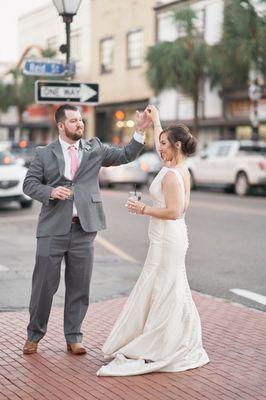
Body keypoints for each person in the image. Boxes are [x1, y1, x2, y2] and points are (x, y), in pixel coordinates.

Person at [22, 104, 150, 355]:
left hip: (84, 228)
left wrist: (140, 132)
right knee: (43, 286)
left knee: (79, 287)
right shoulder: (44, 153)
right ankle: (34, 336)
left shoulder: (95, 148)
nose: (80, 124)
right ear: (61, 126)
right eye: (73, 121)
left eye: (81, 120)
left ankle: (74, 337)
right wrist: (50, 192)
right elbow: (29, 184)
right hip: (52, 229)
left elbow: (125, 154)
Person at [97, 105, 209, 376]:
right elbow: (181, 207)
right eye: (158, 144)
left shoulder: (171, 175)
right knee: (167, 285)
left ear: (177, 145)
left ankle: (161, 344)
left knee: (163, 287)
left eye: (163, 145)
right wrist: (156, 120)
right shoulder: (179, 168)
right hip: (171, 236)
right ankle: (169, 337)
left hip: (168, 237)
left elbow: (174, 211)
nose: (159, 148)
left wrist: (143, 209)